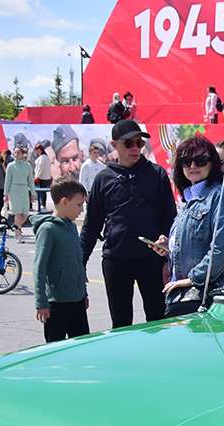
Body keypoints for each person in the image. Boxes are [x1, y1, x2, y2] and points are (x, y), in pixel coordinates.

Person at [80, 119, 177, 327]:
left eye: (139, 143)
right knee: (121, 323)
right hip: (116, 260)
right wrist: (79, 264)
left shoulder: (157, 174)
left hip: (152, 260)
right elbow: (91, 225)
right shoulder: (103, 178)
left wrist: (169, 258)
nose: (135, 148)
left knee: (158, 321)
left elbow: (170, 217)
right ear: (115, 145)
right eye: (129, 143)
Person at [152, 134, 224, 317]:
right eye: (186, 161)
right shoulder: (189, 199)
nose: (193, 166)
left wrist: (191, 279)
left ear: (213, 163)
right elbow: (196, 244)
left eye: (201, 160)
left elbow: (223, 249)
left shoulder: (221, 196)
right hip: (181, 298)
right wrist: (169, 245)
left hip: (205, 299)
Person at [33, 179, 90, 343]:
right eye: (79, 205)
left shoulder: (71, 226)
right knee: (55, 346)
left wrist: (83, 293)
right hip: (57, 303)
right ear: (64, 202)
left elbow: (78, 260)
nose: (81, 209)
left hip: (77, 300)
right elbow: (39, 268)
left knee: (81, 345)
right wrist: (41, 302)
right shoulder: (48, 229)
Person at [4, 145, 34, 243]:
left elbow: (30, 180)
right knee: (18, 212)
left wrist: (33, 193)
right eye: (15, 152)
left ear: (23, 154)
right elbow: (7, 181)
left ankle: (15, 227)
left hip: (24, 189)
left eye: (18, 153)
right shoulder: (11, 166)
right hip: (14, 189)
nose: (16, 154)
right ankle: (18, 232)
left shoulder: (27, 166)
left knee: (25, 214)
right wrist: (5, 194)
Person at [33, 143, 53, 213]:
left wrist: (37, 177)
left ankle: (43, 204)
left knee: (42, 192)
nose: (37, 152)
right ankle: (43, 204)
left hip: (42, 177)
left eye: (38, 150)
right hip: (46, 176)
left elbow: (40, 168)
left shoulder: (42, 158)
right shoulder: (46, 157)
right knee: (43, 192)